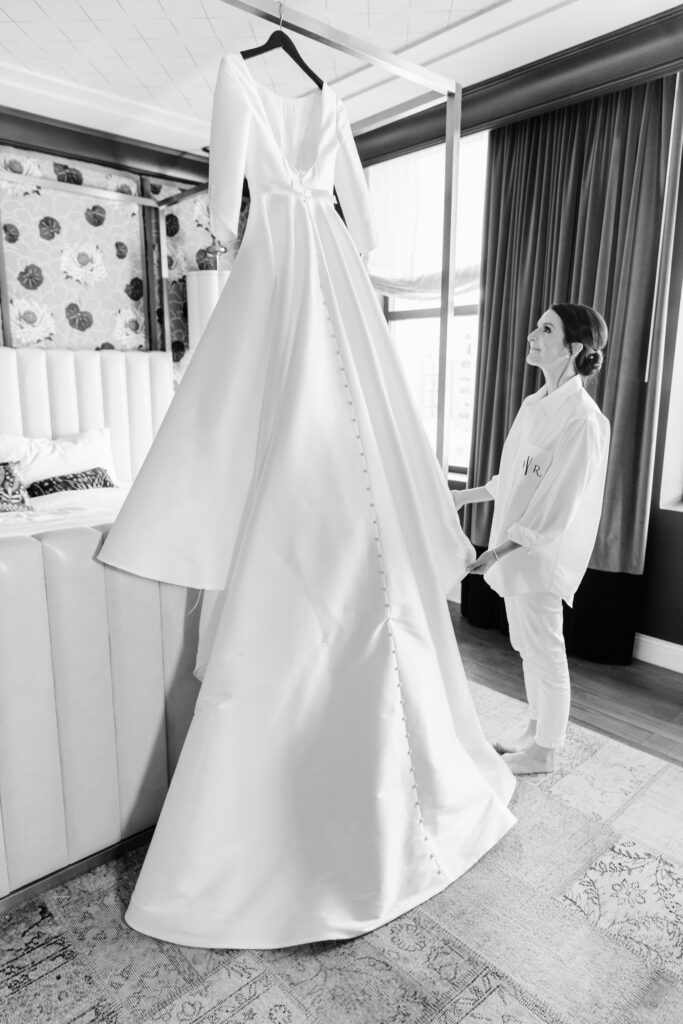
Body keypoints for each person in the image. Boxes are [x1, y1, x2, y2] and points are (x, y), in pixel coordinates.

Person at [97, 52, 515, 949]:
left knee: (284, 420)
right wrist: (309, 207)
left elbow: (219, 208)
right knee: (317, 424)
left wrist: (241, 215)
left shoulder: (242, 85)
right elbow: (355, 216)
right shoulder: (327, 103)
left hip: (281, 256)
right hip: (318, 253)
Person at [454, 303, 610, 776]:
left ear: (574, 348)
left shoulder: (582, 420)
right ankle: (536, 729)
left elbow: (555, 508)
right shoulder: (535, 402)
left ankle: (547, 751)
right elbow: (517, 477)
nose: (532, 334)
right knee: (525, 644)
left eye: (547, 329)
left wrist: (496, 551)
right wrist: (467, 495)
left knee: (546, 649)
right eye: (537, 326)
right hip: (514, 550)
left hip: (540, 556)